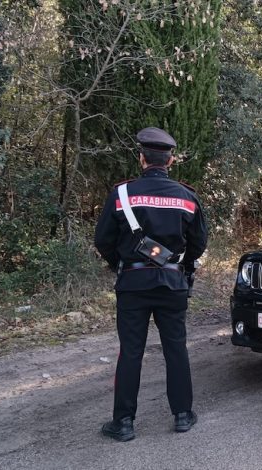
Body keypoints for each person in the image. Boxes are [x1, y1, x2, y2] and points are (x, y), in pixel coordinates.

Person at [94, 127, 207, 442]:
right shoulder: (187, 197)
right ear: (170, 160)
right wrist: (182, 266)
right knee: (176, 349)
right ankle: (183, 416)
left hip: (132, 284)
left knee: (130, 352)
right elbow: (199, 243)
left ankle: (124, 423)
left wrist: (119, 262)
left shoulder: (122, 195)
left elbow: (102, 240)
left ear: (142, 158)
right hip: (173, 284)